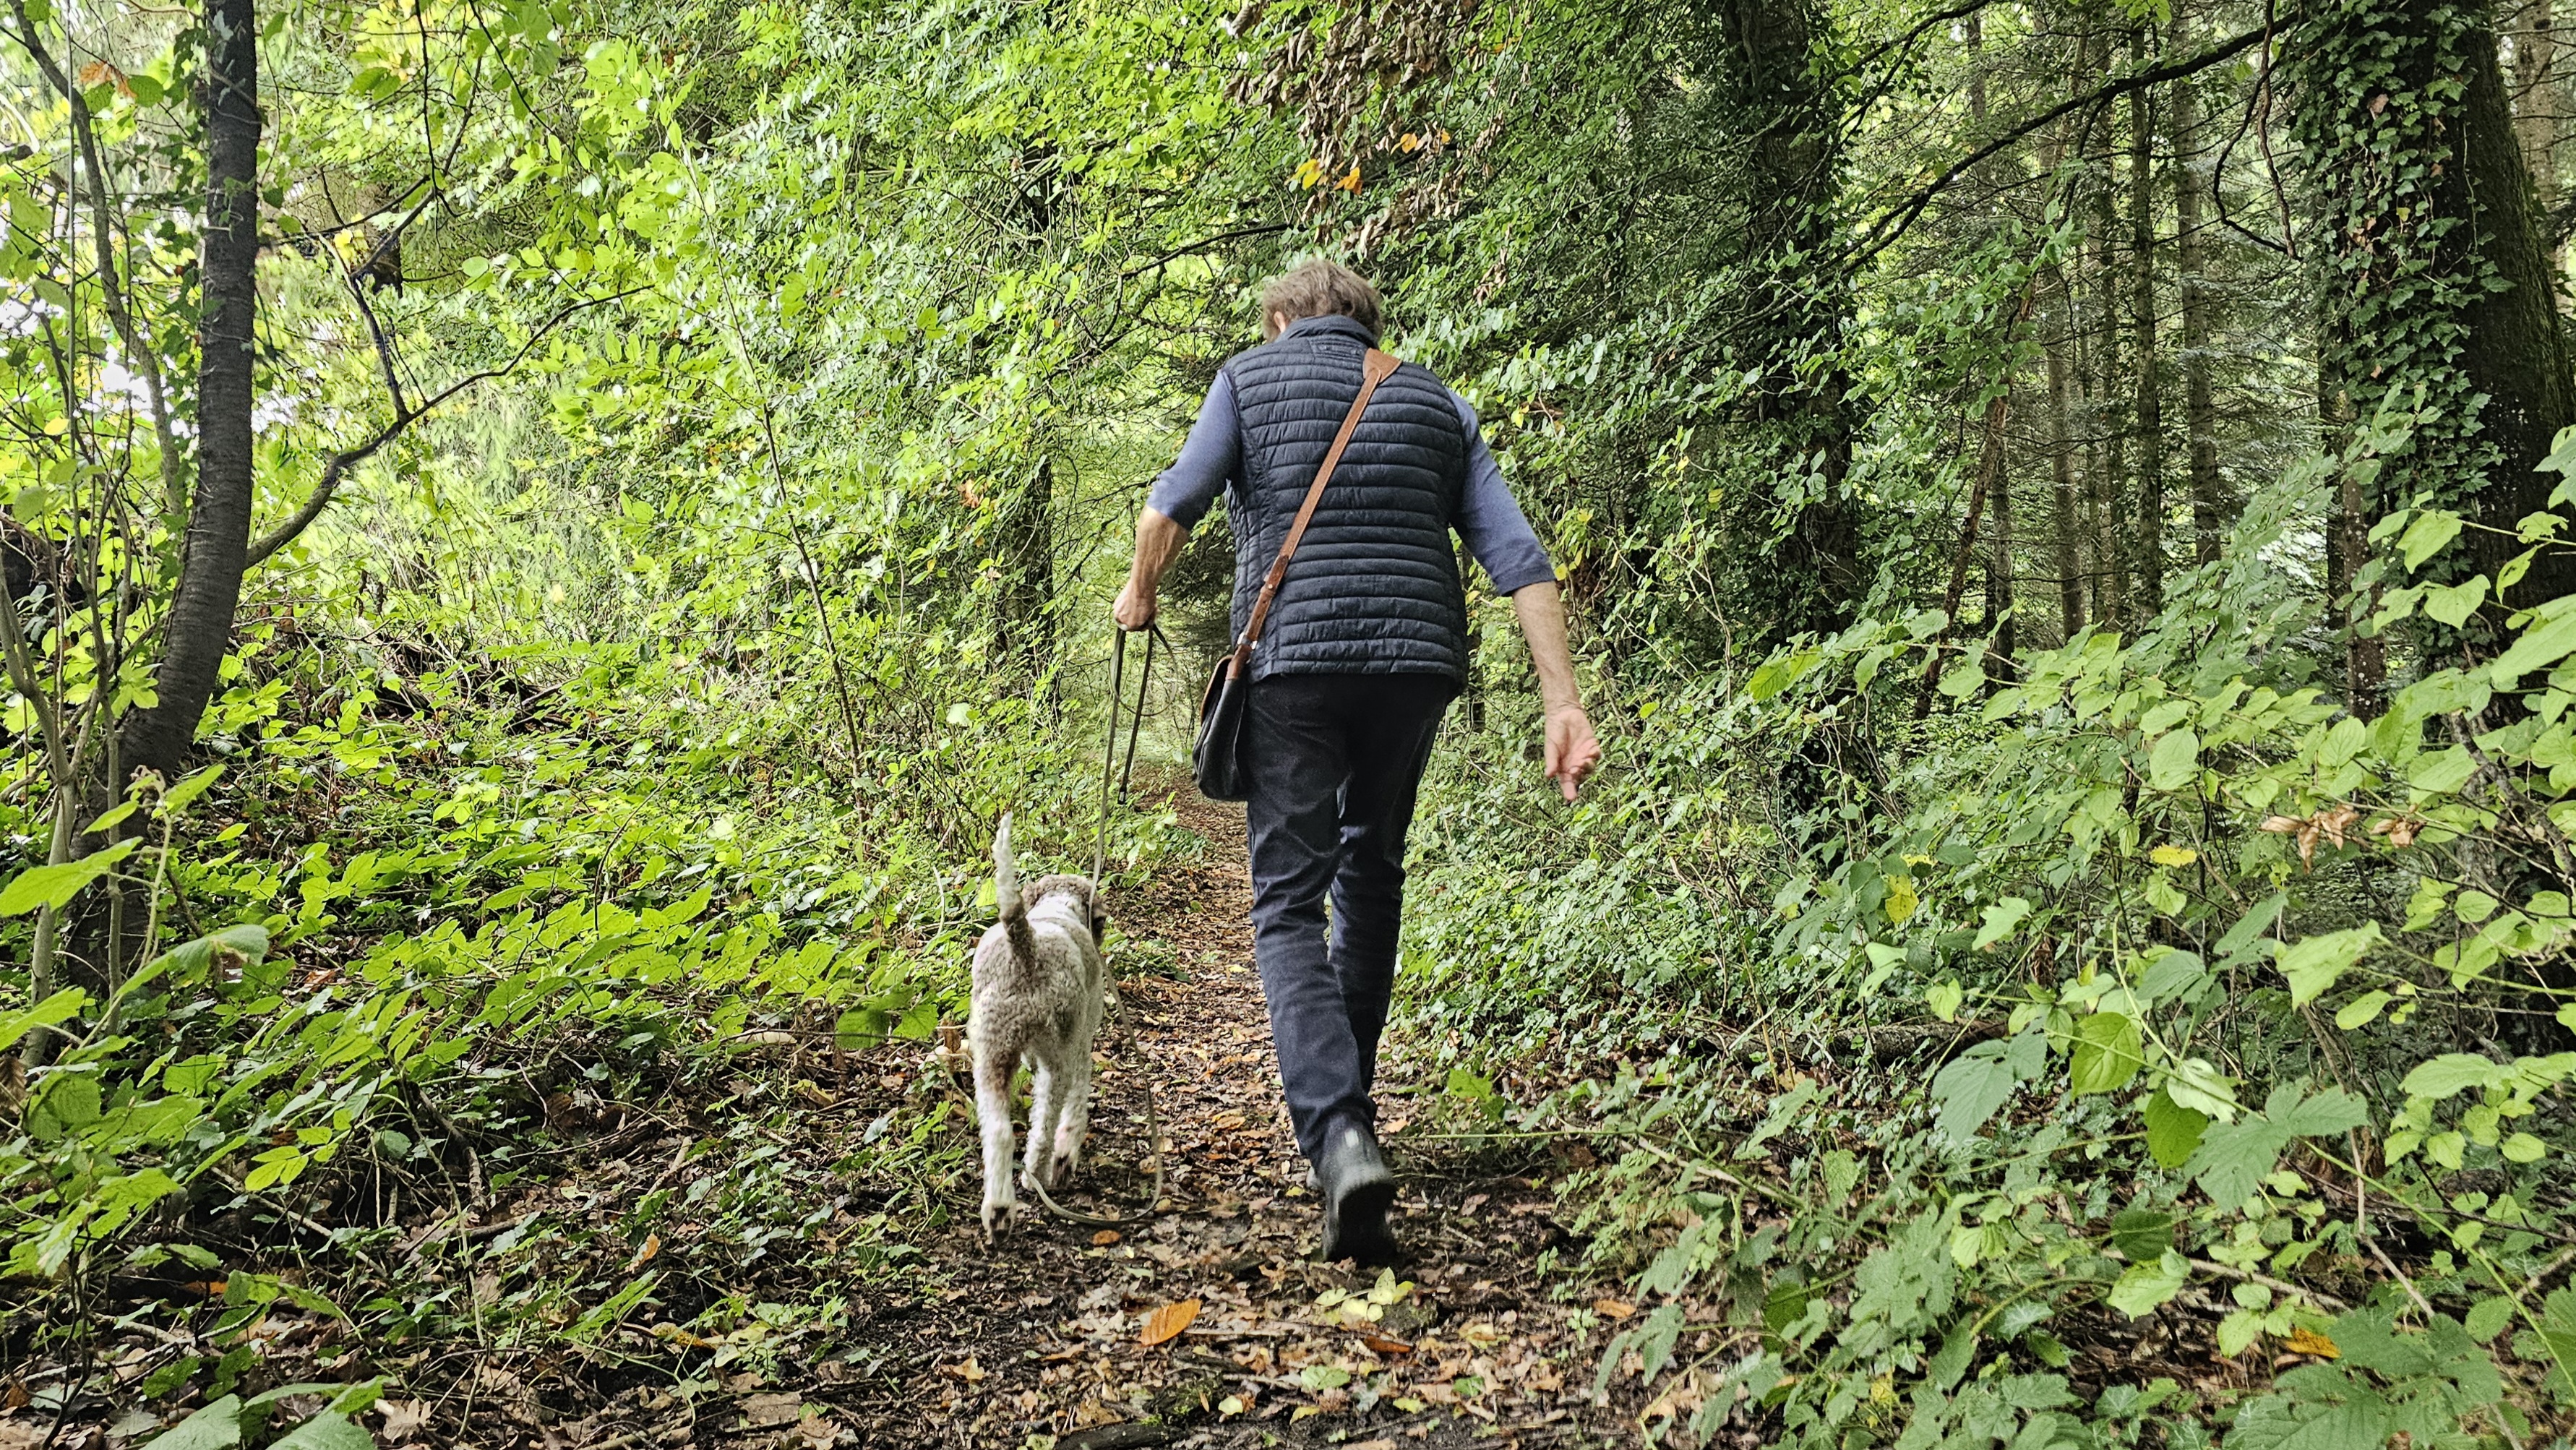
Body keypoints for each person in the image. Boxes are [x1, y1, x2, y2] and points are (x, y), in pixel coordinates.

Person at [1112, 259, 1602, 1263]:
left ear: (1281, 321)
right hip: (1415, 670)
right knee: (1371, 874)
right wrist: (1563, 700)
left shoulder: (1247, 379)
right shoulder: (1437, 402)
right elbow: (1519, 558)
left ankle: (1339, 1134)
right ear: (1369, 326)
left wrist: (1140, 592)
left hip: (1294, 667)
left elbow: (1170, 508)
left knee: (1289, 899)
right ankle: (1352, 1122)